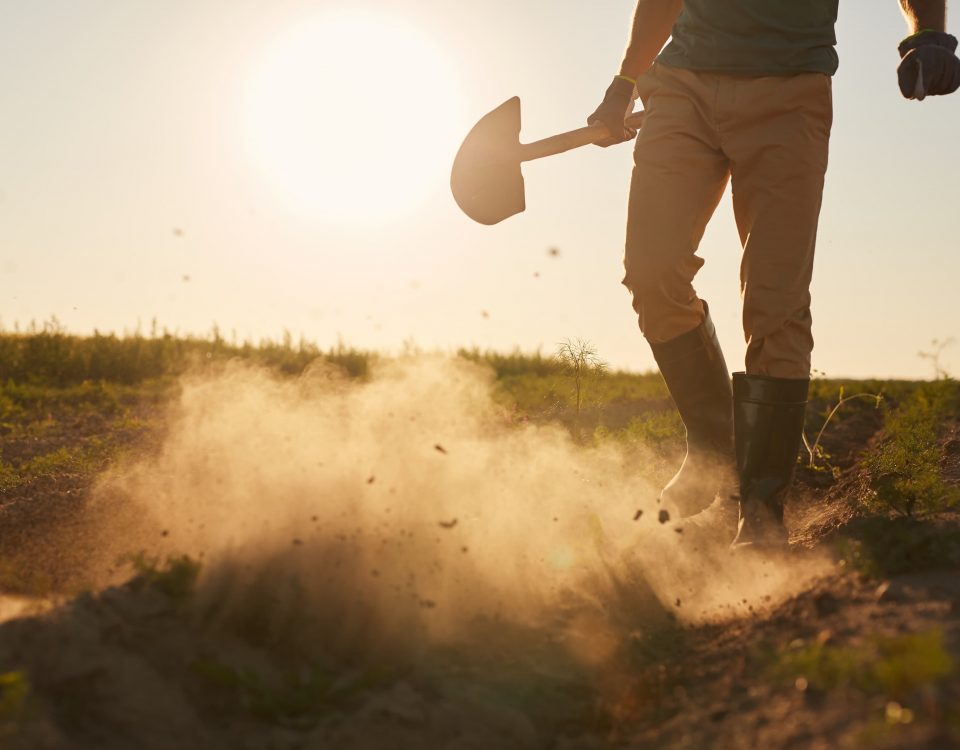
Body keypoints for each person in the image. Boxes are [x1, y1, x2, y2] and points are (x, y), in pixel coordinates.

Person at [588, 1, 960, 548]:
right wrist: (624, 81)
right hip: (682, 85)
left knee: (775, 301)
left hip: (790, 93)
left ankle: (760, 511)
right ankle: (716, 449)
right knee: (651, 272)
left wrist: (927, 33)